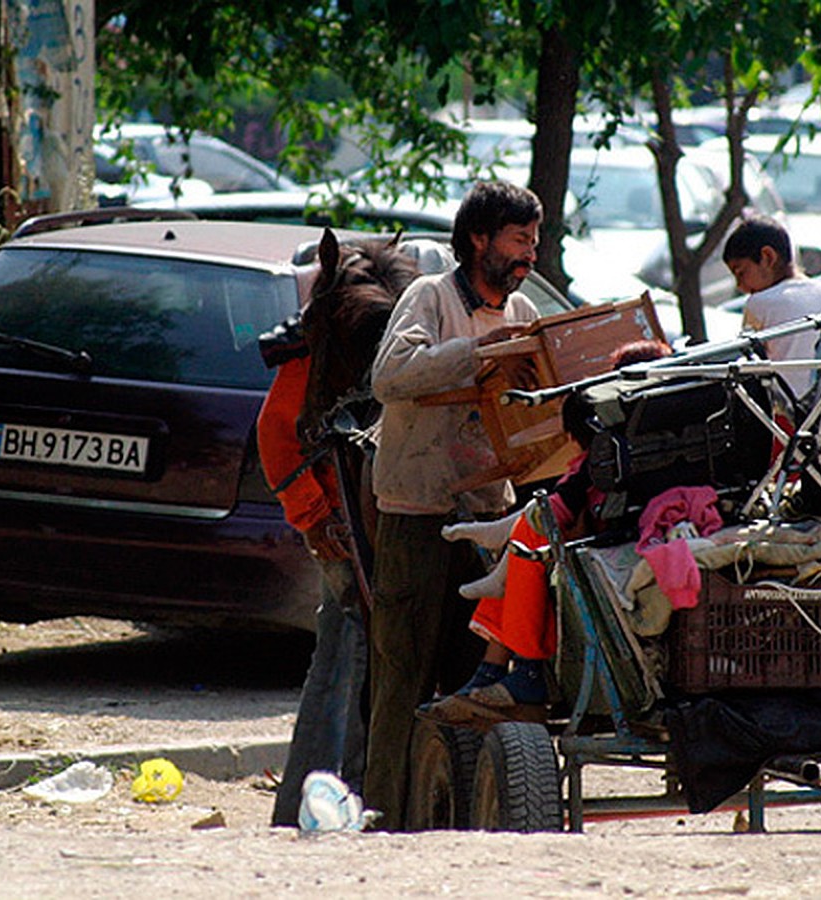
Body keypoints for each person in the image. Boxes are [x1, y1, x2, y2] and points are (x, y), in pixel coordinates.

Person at [364, 180, 544, 830]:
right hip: (415, 510)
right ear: (478, 239)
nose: (529, 251)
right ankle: (382, 819)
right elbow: (391, 376)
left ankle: (459, 820)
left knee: (474, 686)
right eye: (518, 239)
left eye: (534, 240)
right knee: (401, 678)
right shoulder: (430, 296)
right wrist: (480, 355)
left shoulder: (523, 310)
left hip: (487, 517)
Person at [424, 339, 674, 723]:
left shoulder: (624, 446)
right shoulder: (665, 435)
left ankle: (517, 670)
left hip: (613, 543)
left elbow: (568, 506)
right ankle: (493, 670)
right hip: (614, 531)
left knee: (533, 539)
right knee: (534, 533)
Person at [256, 324, 368, 828]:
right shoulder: (316, 351)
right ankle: (325, 802)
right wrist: (316, 516)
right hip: (341, 528)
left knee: (356, 662)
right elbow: (275, 434)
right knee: (344, 662)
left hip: (371, 520)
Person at [722, 215, 821, 413]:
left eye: (741, 272)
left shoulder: (760, 303)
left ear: (767, 257)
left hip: (797, 425)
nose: (741, 286)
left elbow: (751, 373)